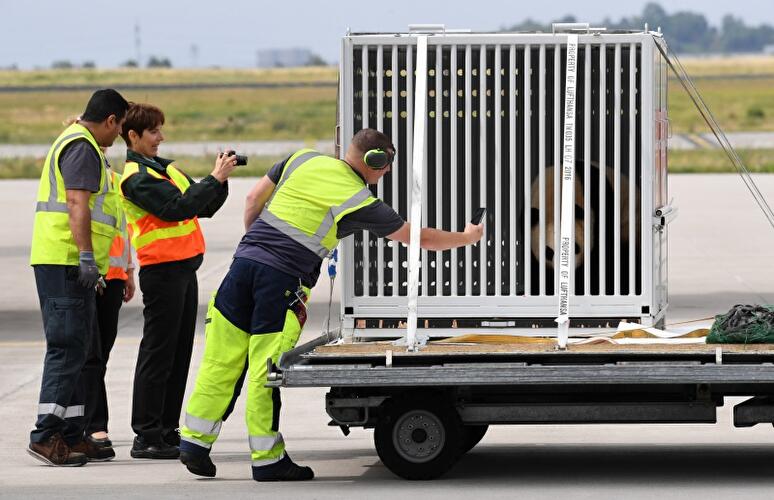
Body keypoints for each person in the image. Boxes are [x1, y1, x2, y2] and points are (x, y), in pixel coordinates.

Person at [178, 128, 484, 481]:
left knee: (220, 361)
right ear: (375, 160)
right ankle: (267, 460)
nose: (386, 174)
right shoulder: (356, 198)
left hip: (241, 269)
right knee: (266, 370)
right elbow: (418, 237)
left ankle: (194, 443)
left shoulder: (301, 158)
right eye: (386, 166)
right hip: (279, 283)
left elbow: (252, 200)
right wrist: (466, 237)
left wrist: (255, 248)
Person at [118, 103, 236, 459]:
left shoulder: (163, 168)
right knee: (158, 354)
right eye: (153, 132)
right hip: (162, 273)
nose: (160, 138)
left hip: (184, 271)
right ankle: (147, 434)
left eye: (160, 130)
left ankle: (167, 430)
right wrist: (213, 179)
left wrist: (220, 181)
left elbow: (201, 205)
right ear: (133, 136)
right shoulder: (136, 178)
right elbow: (176, 208)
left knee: (178, 354)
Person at [28, 89, 128, 466]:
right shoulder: (83, 147)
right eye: (117, 130)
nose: (115, 139)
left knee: (80, 347)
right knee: (67, 347)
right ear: (110, 120)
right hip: (66, 259)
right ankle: (45, 434)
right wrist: (86, 255)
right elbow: (76, 204)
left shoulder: (78, 142)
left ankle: (71, 434)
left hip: (72, 262)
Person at [81, 161, 136, 457]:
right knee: (91, 354)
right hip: (91, 276)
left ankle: (83, 417)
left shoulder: (115, 181)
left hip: (113, 277)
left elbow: (123, 229)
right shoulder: (79, 180)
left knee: (101, 355)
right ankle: (94, 426)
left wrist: (129, 269)